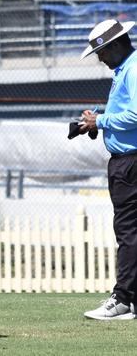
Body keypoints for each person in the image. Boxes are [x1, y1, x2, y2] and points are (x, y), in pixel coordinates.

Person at [78, 19, 137, 320]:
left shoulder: (133, 68)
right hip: (127, 160)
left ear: (115, 45)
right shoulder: (125, 69)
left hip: (130, 163)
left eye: (101, 51)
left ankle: (124, 298)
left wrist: (99, 122)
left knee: (128, 231)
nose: (99, 58)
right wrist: (97, 119)